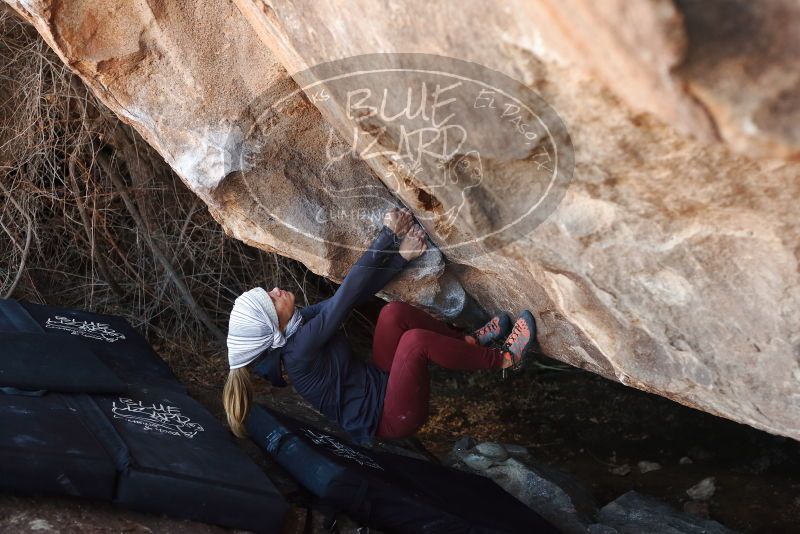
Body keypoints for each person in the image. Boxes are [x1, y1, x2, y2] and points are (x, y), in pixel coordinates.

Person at [223, 208, 538, 444]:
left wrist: (400, 258)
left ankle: (469, 344)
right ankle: (507, 359)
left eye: (268, 292)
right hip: (390, 417)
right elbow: (346, 295)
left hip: (380, 381)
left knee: (393, 314)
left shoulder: (297, 327)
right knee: (414, 343)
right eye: (271, 301)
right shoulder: (299, 350)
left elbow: (353, 294)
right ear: (274, 328)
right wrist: (389, 235)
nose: (276, 291)